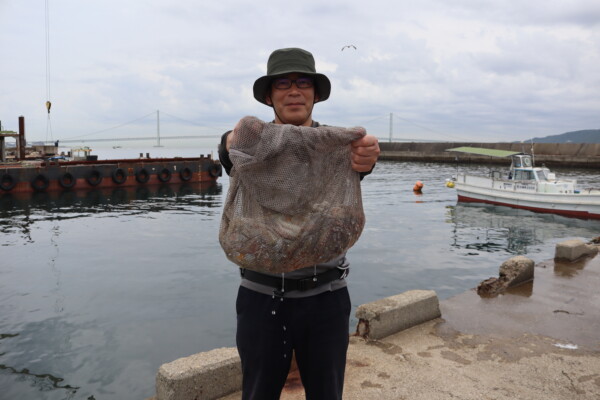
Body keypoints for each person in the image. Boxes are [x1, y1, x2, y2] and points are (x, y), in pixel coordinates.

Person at [218, 47, 380, 400]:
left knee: (327, 394)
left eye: (303, 82)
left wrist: (367, 157)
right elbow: (229, 149)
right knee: (258, 393)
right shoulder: (252, 146)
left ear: (316, 93)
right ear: (269, 96)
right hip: (262, 299)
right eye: (283, 84)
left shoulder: (336, 148)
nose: (294, 91)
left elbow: (362, 160)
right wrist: (229, 142)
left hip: (328, 298)